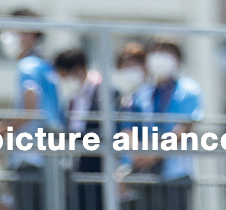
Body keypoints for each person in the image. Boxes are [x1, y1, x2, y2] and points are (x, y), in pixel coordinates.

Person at [0, 9, 63, 210]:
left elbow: (30, 113)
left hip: (31, 160)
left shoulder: (28, 67)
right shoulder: (45, 66)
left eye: (13, 32)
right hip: (51, 159)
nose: (7, 37)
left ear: (29, 35)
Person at [125, 37, 203, 210]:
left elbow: (185, 128)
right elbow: (129, 128)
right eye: (156, 51)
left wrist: (152, 154)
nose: (160, 57)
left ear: (178, 60)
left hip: (176, 174)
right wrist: (138, 154)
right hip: (146, 175)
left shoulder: (189, 90)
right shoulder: (142, 93)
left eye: (167, 52)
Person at [55, 46, 110, 210]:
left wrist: (78, 138)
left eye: (65, 75)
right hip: (78, 165)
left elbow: (107, 130)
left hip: (99, 165)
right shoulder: (74, 97)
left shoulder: (105, 91)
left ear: (78, 69)